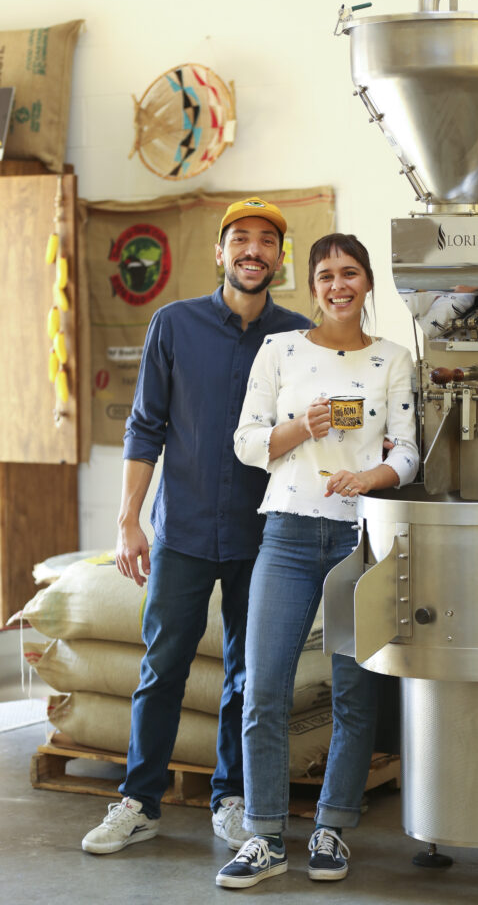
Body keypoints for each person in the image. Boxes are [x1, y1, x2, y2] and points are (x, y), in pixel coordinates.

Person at [81, 198, 312, 856]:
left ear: (278, 259)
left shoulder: (296, 338)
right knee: (163, 666)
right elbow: (145, 426)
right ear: (220, 253)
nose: (253, 250)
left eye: (267, 241)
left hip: (263, 535)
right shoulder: (173, 325)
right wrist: (128, 521)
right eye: (240, 238)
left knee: (249, 674)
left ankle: (232, 799)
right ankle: (139, 801)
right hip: (181, 530)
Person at [216, 233, 419, 888]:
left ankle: (332, 828)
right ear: (311, 287)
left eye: (351, 273)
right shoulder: (280, 351)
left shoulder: (393, 360)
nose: (339, 285)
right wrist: (302, 427)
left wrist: (372, 479)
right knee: (263, 689)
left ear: (366, 284)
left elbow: (409, 453)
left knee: (354, 695)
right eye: (327, 274)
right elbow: (248, 443)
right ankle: (266, 837)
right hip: (288, 535)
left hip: (359, 542)